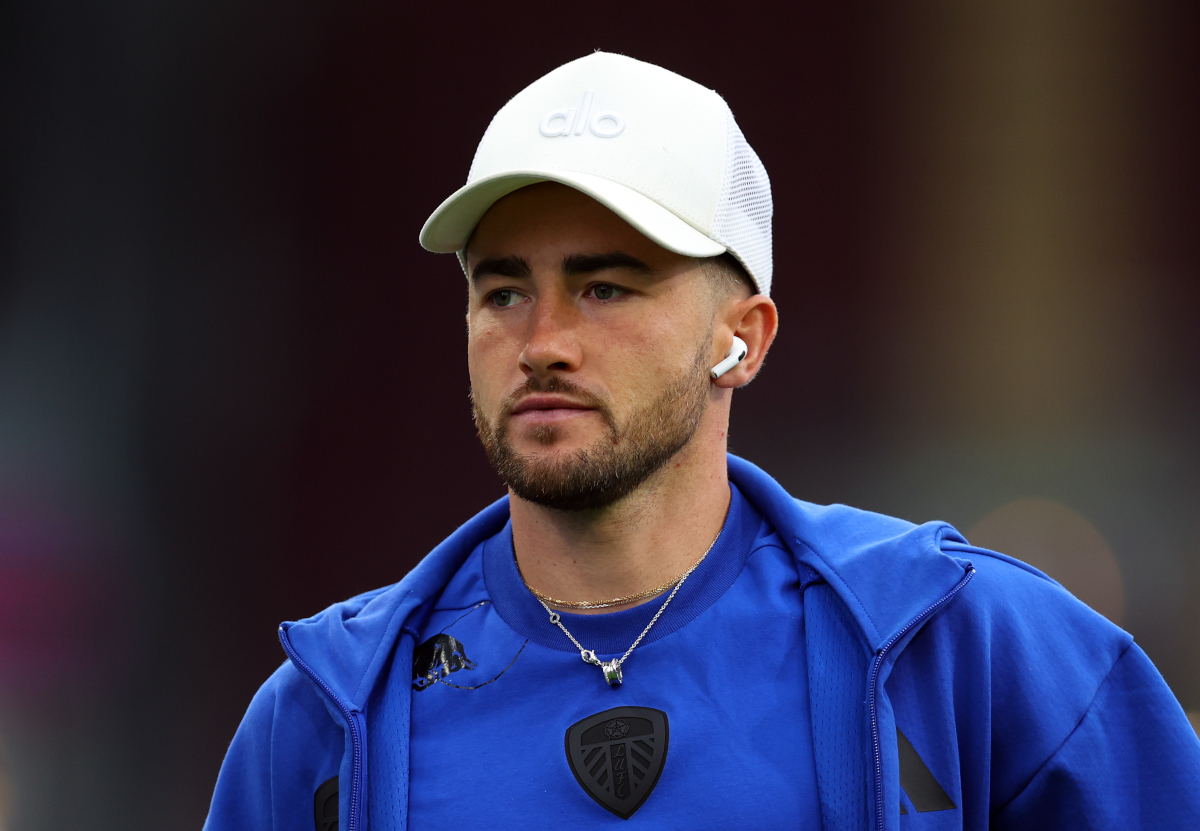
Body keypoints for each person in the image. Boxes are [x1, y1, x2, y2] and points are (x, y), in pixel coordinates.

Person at [204, 52, 1200, 831]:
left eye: (605, 288)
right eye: (502, 291)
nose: (543, 342)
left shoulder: (964, 646)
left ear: (743, 339)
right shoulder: (324, 717)